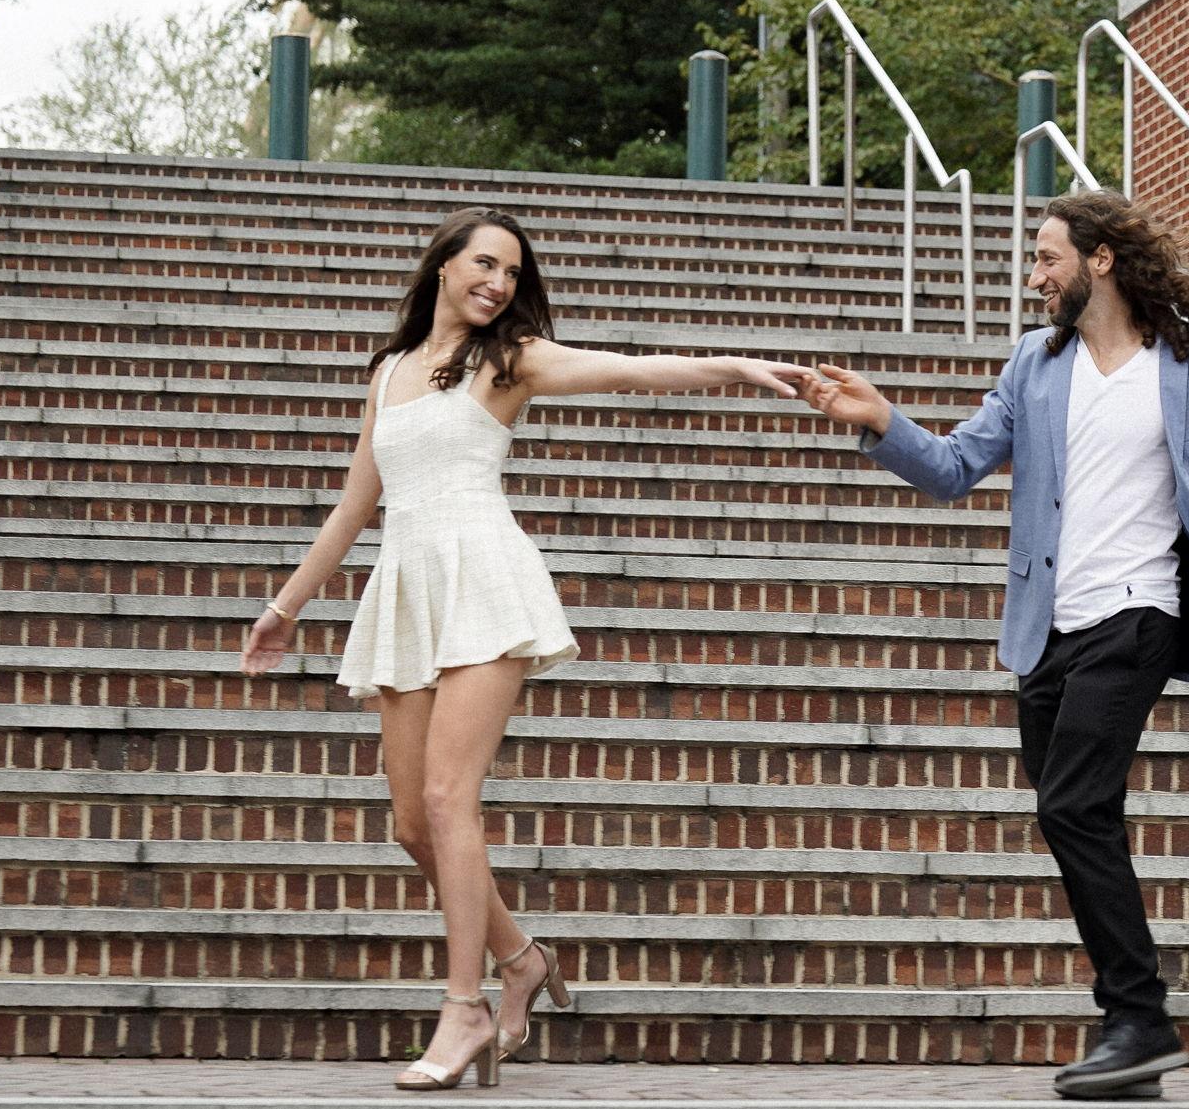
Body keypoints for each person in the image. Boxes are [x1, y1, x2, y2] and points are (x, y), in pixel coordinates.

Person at [239, 206, 814, 1091]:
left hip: (484, 579)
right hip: (409, 588)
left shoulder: (510, 359)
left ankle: (463, 1005)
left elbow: (629, 371)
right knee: (410, 822)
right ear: (443, 265)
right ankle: (523, 959)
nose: (498, 283)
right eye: (483, 263)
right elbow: (357, 501)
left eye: (511, 272)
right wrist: (285, 607)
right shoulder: (390, 371)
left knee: (448, 796)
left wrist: (734, 367)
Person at [799, 189, 1189, 1101]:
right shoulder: (1036, 361)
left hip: (1139, 613)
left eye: (1047, 256)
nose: (1035, 276)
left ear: (1100, 260)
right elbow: (954, 467)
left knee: (1072, 805)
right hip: (1047, 626)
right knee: (1076, 813)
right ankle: (1135, 1043)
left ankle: (1138, 1017)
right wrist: (878, 419)